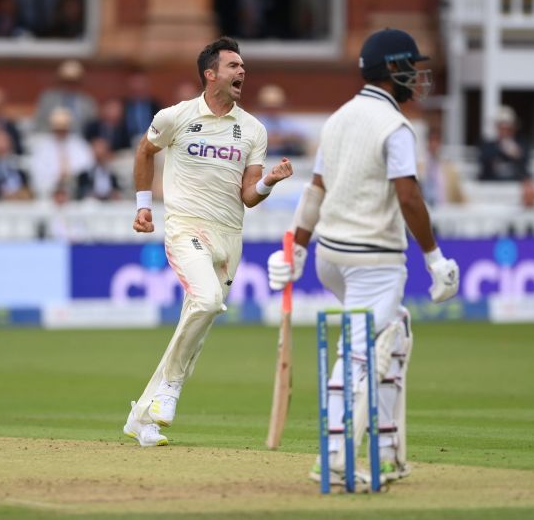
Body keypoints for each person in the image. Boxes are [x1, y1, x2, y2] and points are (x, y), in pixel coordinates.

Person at [266, 28, 460, 486]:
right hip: (373, 255)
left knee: (395, 333)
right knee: (360, 351)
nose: (418, 76)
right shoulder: (394, 127)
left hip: (331, 255)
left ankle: (388, 452)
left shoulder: (336, 119)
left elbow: (315, 191)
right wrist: (435, 259)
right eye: (412, 66)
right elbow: (409, 197)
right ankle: (333, 455)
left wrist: (297, 246)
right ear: (394, 69)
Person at [122, 36, 293, 447]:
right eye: (233, 66)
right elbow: (145, 152)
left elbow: (249, 196)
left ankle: (141, 418)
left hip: (230, 236)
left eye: (243, 66)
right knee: (207, 300)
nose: (242, 72)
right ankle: (170, 390)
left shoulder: (252, 129)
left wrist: (268, 181)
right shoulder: (176, 117)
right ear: (210, 74)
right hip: (186, 227)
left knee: (194, 327)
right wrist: (144, 206)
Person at [478, 105, 534, 208]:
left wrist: (516, 153)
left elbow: (525, 164)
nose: (505, 131)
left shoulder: (522, 144)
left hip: (516, 194)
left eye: (508, 128)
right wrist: (501, 148)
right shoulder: (488, 145)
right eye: (502, 127)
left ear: (513, 128)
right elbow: (484, 162)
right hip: (490, 193)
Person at [30, 107, 92, 199]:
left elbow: (87, 167)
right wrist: (56, 178)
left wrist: (71, 176)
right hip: (50, 192)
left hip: (75, 192)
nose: (61, 133)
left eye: (64, 130)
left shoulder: (79, 144)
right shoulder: (42, 147)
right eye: (58, 130)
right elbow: (37, 171)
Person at [33, 60, 97, 133]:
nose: (69, 85)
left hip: (79, 140)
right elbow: (40, 122)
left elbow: (92, 126)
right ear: (60, 81)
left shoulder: (87, 101)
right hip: (51, 138)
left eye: (74, 81)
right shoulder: (48, 98)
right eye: (66, 81)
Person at [255, 84, 308, 156]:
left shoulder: (286, 122)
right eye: (269, 107)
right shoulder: (256, 122)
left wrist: (284, 138)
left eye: (276, 107)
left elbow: (302, 136)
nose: (273, 111)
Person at [418, 127, 465, 207]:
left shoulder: (450, 169)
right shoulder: (418, 167)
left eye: (437, 141)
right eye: (431, 140)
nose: (434, 144)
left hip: (445, 214)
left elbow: (460, 196)